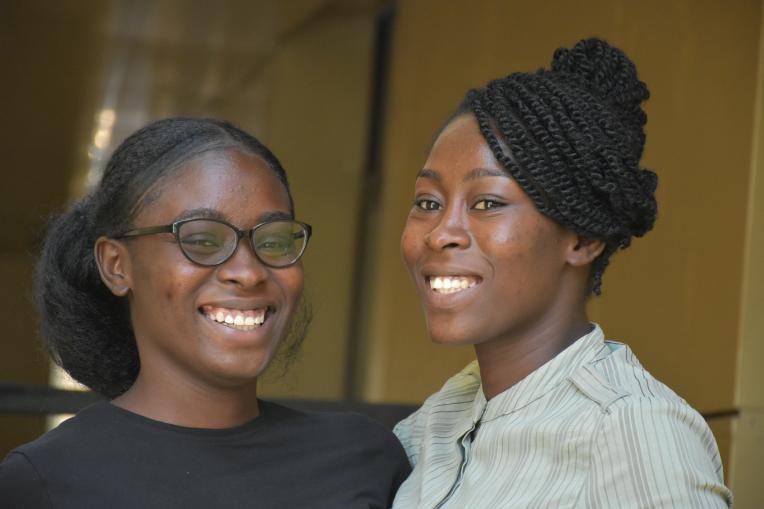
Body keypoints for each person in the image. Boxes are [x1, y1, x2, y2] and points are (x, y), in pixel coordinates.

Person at [0, 118, 410, 508]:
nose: (248, 273)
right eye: (201, 239)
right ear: (116, 265)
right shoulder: (44, 482)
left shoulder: (362, 461)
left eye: (274, 240)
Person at [392, 38, 732, 508]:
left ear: (582, 239)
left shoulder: (628, 427)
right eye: (428, 203)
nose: (440, 233)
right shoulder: (436, 422)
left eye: (487, 203)